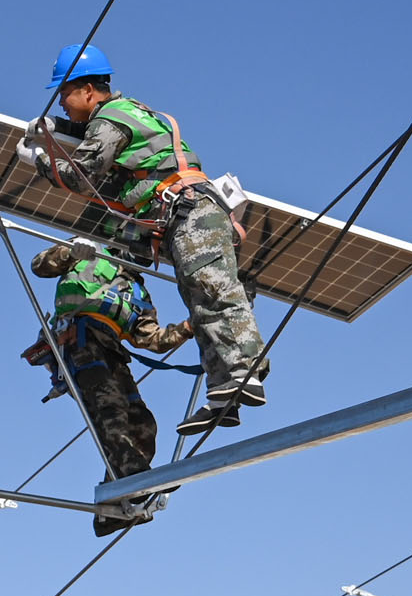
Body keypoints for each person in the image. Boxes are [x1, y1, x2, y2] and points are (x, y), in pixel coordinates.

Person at [29, 45, 269, 438]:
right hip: (180, 215)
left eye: (64, 95)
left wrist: (38, 160)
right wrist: (58, 128)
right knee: (199, 296)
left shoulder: (110, 117)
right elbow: (97, 136)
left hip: (191, 210)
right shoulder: (121, 114)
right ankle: (223, 390)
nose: (62, 103)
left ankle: (244, 371)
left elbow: (82, 173)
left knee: (213, 288)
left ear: (88, 90)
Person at [21, 240, 191, 534]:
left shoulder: (138, 292)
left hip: (112, 351)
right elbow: (39, 265)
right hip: (81, 342)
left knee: (143, 424)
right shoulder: (91, 254)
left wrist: (189, 327)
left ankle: (113, 504)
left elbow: (154, 340)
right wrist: (71, 252)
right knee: (109, 411)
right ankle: (134, 474)